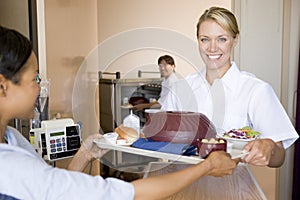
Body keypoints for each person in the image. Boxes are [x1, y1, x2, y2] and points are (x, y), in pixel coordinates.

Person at [0, 25, 239, 199]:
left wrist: (84, 154)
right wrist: (207, 167)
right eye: (35, 78)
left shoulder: (13, 138)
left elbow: (55, 189)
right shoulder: (9, 166)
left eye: (221, 39)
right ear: (3, 86)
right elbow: (123, 194)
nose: (40, 87)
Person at [160, 6, 299, 168]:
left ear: (235, 39)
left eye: (222, 39)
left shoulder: (256, 90)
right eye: (205, 39)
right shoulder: (179, 89)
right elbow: (161, 140)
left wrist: (269, 147)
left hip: (234, 187)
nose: (212, 48)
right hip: (182, 185)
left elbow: (279, 157)